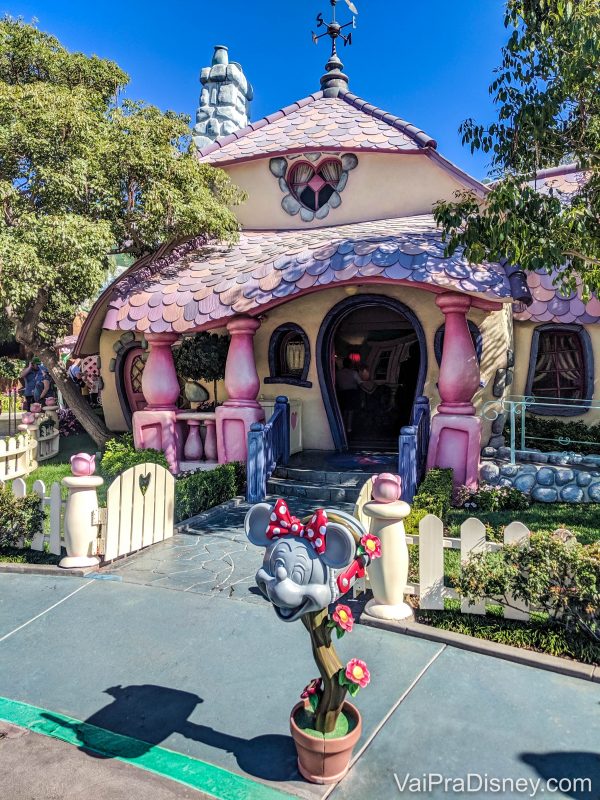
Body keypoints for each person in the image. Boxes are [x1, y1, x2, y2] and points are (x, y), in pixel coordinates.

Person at [336, 357, 362, 435]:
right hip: (351, 393)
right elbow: (360, 383)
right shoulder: (354, 373)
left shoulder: (338, 373)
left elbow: (336, 384)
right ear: (350, 364)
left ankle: (342, 429)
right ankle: (349, 429)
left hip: (341, 393)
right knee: (350, 412)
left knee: (343, 412)